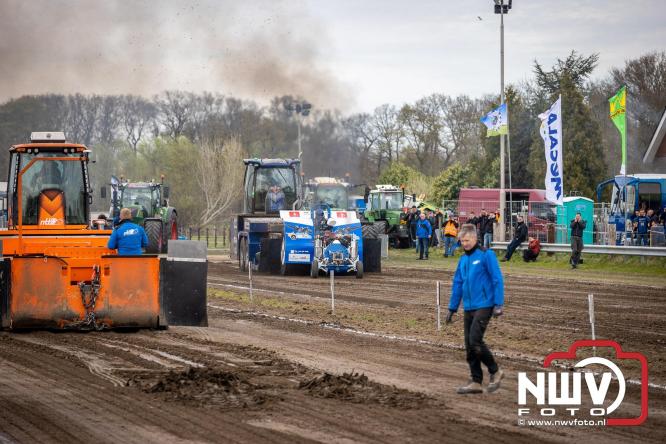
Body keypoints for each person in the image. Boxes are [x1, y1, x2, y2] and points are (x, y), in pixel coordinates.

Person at [446, 224, 504, 394]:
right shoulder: (463, 260)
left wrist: (498, 304)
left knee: (475, 340)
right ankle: (476, 381)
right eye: (462, 240)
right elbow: (458, 284)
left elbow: (497, 279)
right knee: (469, 345)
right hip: (468, 306)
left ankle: (495, 371)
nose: (465, 243)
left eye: (467, 240)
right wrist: (452, 308)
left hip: (485, 304)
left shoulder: (487, 255)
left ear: (475, 238)